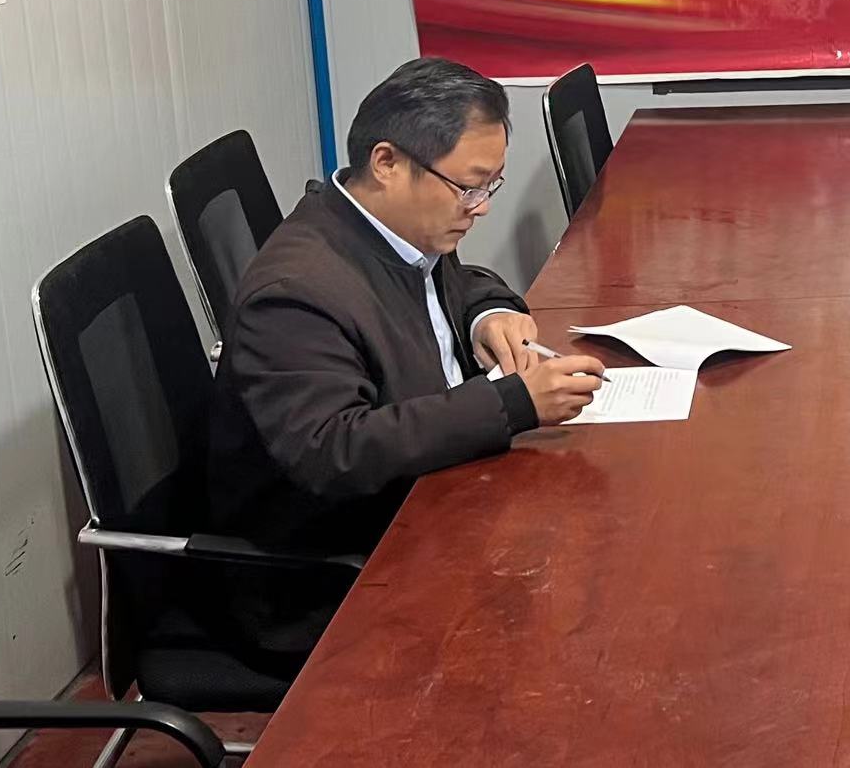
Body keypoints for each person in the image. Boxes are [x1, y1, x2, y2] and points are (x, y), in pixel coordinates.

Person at [206, 57, 606, 666]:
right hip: (336, 576)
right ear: (388, 163)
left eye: (490, 187)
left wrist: (488, 312)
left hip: (432, 501)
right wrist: (514, 404)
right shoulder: (295, 295)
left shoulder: (394, 227)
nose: (480, 207)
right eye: (469, 187)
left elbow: (454, 280)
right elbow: (335, 451)